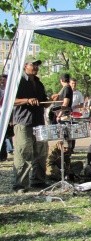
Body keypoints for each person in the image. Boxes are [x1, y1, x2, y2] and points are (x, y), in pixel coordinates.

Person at [12, 57, 50, 193]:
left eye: (37, 65)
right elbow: (11, 100)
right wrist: (27, 100)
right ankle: (20, 185)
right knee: (24, 153)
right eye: (33, 64)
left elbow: (45, 103)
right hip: (23, 122)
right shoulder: (18, 81)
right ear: (25, 66)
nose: (35, 67)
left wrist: (52, 100)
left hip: (39, 122)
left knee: (41, 152)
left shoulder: (39, 84)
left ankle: (38, 181)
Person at [69, 78, 84, 152]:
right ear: (69, 83)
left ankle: (72, 148)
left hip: (75, 115)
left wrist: (76, 106)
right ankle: (67, 147)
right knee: (67, 131)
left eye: (75, 83)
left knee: (74, 132)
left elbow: (82, 104)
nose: (73, 85)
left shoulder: (79, 93)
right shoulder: (67, 92)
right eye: (72, 83)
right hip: (67, 114)